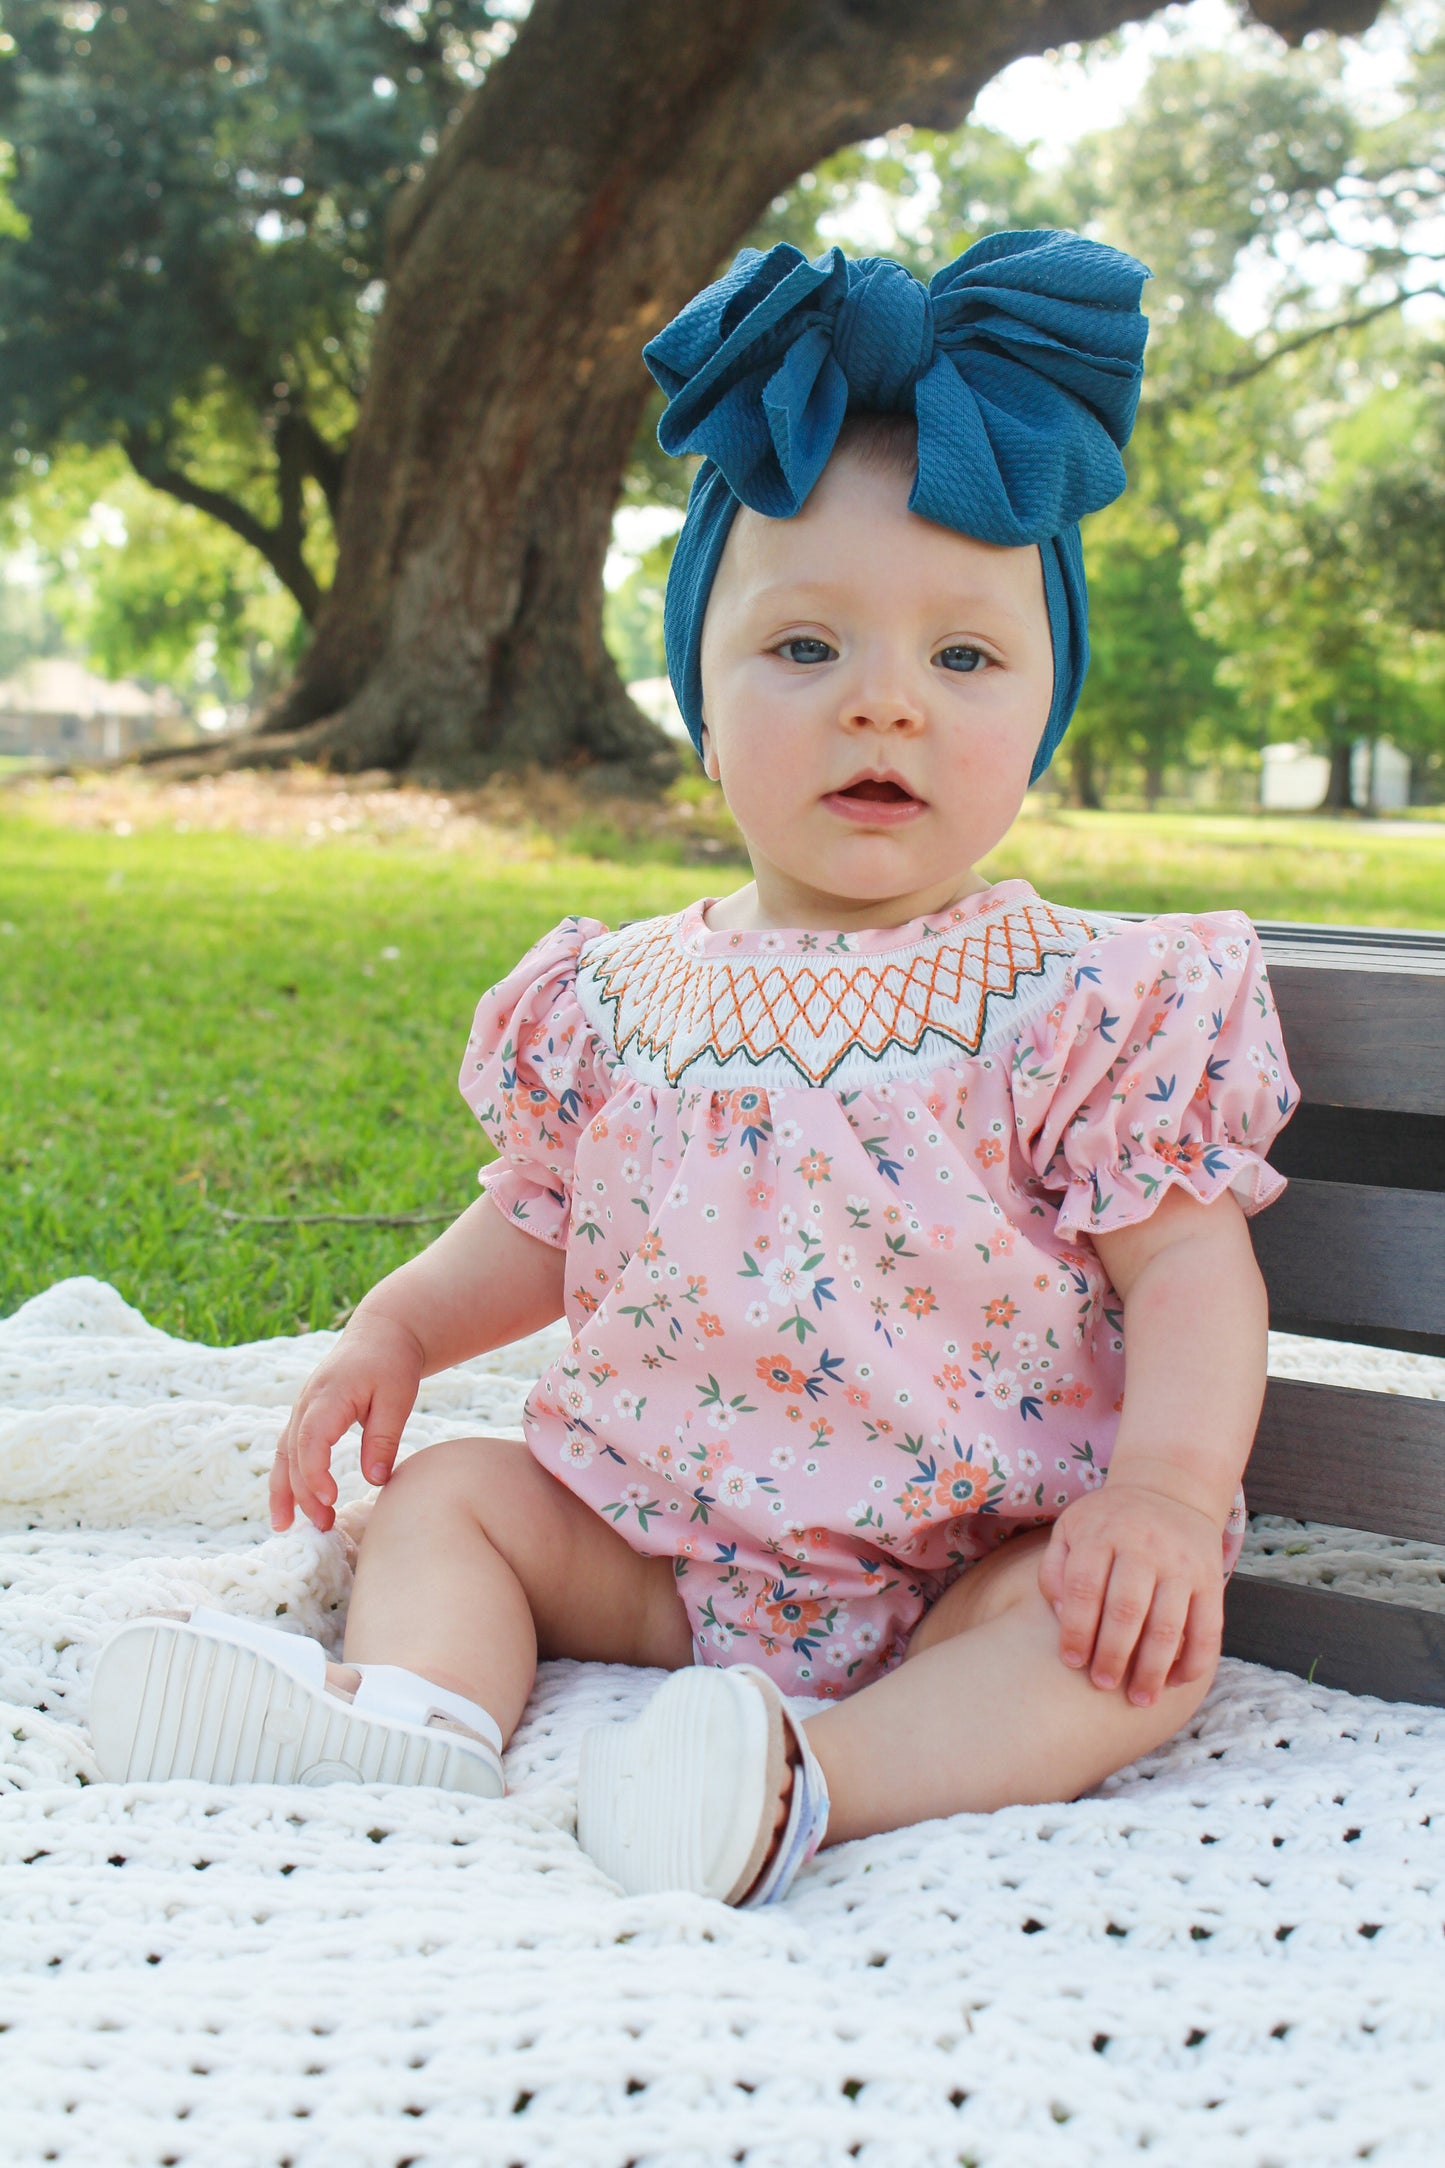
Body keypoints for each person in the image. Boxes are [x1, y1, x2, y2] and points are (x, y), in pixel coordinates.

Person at [90, 230, 1298, 1910]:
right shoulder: (617, 992)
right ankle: (420, 1711)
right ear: (699, 700)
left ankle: (805, 1783)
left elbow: (1185, 1273)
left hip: (971, 1555)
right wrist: (397, 1329)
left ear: (1042, 708)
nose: (886, 704)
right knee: (452, 1496)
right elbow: (539, 1217)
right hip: (661, 1542)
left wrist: (1165, 1494)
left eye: (963, 658)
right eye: (806, 650)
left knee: (1121, 1653)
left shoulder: (1088, 1000)